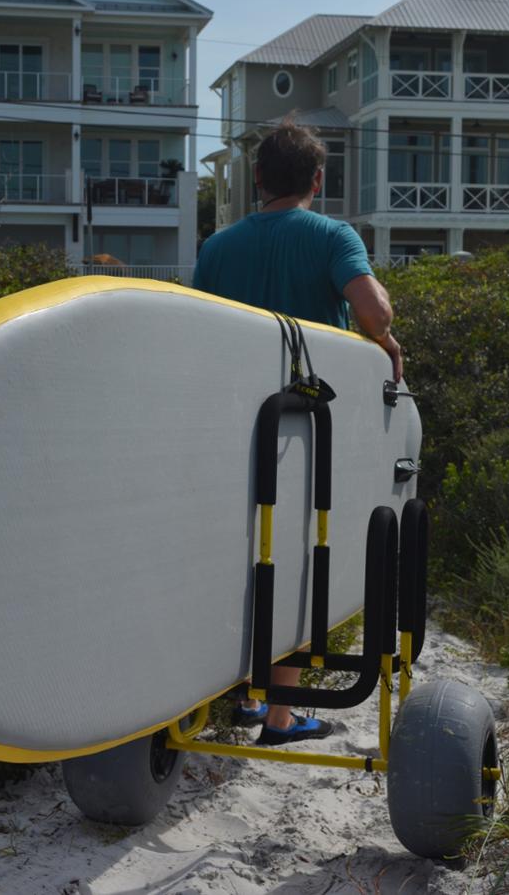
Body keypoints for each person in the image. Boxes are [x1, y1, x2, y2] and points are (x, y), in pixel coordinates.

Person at [193, 119, 402, 744]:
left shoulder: (217, 247)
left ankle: (253, 697)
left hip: (234, 427)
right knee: (298, 563)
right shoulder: (333, 235)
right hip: (307, 433)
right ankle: (279, 717)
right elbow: (374, 312)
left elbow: (201, 331)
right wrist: (387, 337)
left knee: (245, 557)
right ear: (318, 179)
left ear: (257, 178)